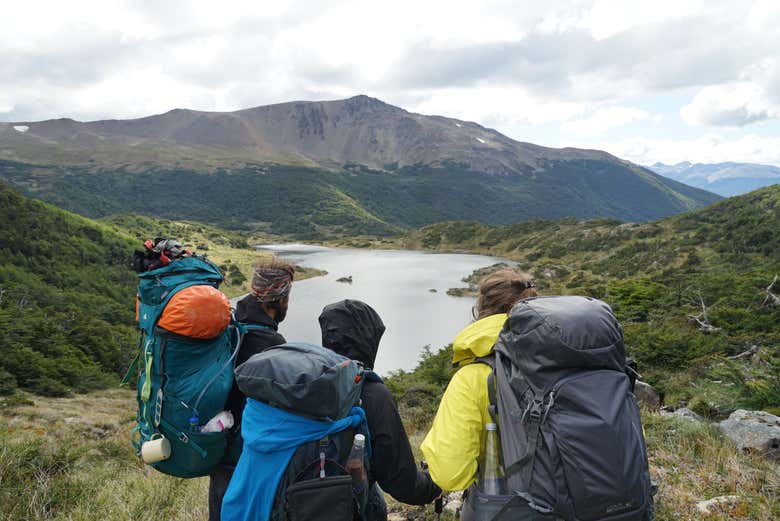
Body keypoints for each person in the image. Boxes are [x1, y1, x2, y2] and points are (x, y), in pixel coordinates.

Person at [319, 299, 442, 519]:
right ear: (366, 339)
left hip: (298, 502)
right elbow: (402, 483)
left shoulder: (306, 384)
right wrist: (437, 482)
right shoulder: (372, 393)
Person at [420, 269, 537, 492]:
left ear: (481, 309)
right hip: (591, 500)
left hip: (511, 505)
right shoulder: (565, 358)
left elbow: (450, 474)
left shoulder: (473, 377)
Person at [209, 259, 295, 521]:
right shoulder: (270, 345)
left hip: (217, 439)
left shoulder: (229, 324)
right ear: (279, 299)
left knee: (221, 509)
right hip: (246, 451)